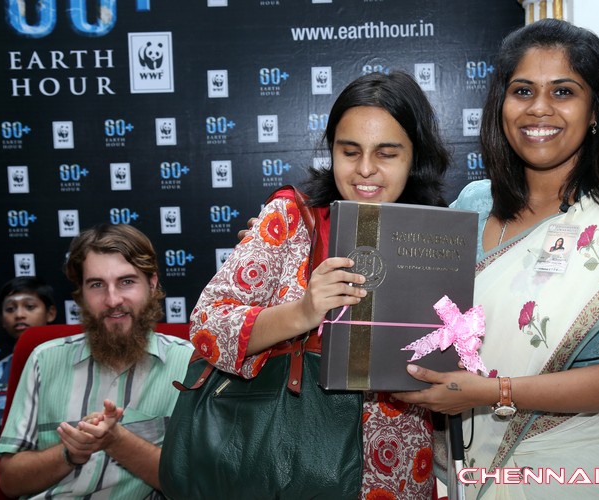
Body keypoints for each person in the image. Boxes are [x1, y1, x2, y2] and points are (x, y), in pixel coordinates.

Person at [394, 19, 599, 499]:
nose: (539, 108)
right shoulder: (472, 207)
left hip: (579, 476)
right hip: (460, 471)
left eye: (563, 91)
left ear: (596, 111)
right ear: (501, 105)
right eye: (522, 90)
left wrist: (495, 393)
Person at [189, 70, 450, 498]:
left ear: (414, 156)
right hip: (296, 459)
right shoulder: (292, 217)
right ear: (332, 150)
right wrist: (304, 312)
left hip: (400, 465)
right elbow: (206, 327)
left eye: (387, 153)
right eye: (350, 151)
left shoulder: (438, 234)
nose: (365, 169)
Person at [0, 224, 193, 498]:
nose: (113, 300)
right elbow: (9, 481)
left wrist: (117, 441)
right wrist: (70, 452)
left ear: (152, 283)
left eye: (127, 281)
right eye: (97, 285)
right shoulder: (43, 359)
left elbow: (197, 483)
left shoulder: (189, 364)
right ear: (81, 294)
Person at [0, 277, 57, 464]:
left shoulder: (71, 362)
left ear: (50, 313)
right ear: (2, 319)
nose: (19, 315)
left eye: (29, 306)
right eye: (10, 309)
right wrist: (7, 467)